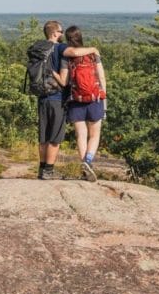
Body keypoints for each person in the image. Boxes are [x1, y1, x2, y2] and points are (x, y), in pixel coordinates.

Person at [36, 20, 99, 180]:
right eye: (61, 31)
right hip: (57, 97)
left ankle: (42, 169)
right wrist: (93, 49)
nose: (62, 34)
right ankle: (48, 171)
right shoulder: (59, 48)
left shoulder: (39, 48)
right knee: (55, 137)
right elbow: (76, 53)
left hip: (42, 96)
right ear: (54, 33)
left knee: (43, 136)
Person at [57, 25, 107, 182]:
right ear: (81, 37)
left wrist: (53, 73)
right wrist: (104, 100)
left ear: (67, 39)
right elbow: (101, 78)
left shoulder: (67, 56)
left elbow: (64, 81)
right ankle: (88, 161)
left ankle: (85, 166)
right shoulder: (93, 54)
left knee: (81, 134)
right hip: (95, 98)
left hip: (76, 100)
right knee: (95, 134)